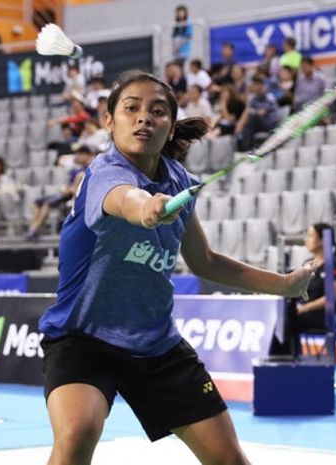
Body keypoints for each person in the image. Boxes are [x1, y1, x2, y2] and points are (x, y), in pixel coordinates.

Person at [38, 70, 312, 465]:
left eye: (158, 111)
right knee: (77, 432)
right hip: (83, 339)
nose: (144, 118)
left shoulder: (180, 182)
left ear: (169, 128)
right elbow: (122, 198)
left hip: (156, 344)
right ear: (109, 122)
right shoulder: (103, 172)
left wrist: (283, 284)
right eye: (131, 109)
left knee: (230, 460)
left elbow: (205, 261)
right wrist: (144, 207)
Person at [270, 223, 336, 356]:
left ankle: (285, 362)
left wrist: (304, 308)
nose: (306, 239)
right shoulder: (308, 263)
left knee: (286, 322)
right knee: (281, 317)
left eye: (311, 235)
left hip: (322, 315)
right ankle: (286, 359)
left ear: (323, 240)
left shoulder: (335, 264)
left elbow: (331, 298)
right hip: (302, 311)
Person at [25, 145, 96, 241]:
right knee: (37, 202)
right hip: (65, 193)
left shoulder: (87, 171)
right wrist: (66, 187)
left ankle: (33, 230)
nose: (77, 156)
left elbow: (77, 190)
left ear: (86, 155)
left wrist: (69, 190)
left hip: (69, 196)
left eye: (79, 154)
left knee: (47, 204)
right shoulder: (76, 170)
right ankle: (37, 228)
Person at [235, 76, 280, 151]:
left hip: (270, 125)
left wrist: (252, 111)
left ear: (259, 85)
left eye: (254, 85)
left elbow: (262, 113)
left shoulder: (269, 96)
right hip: (258, 124)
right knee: (247, 127)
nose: (252, 87)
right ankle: (244, 149)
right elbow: (250, 110)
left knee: (253, 118)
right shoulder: (254, 98)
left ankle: (245, 148)